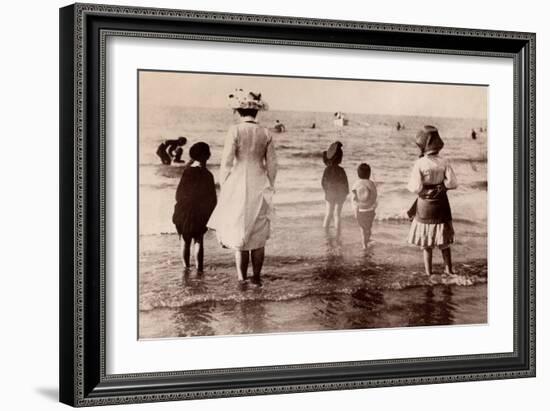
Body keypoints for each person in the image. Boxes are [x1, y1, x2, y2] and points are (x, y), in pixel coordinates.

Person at [207, 89, 277, 286]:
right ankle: (256, 277)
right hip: (259, 182)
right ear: (256, 112)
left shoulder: (235, 130)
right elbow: (272, 164)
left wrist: (224, 184)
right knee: (258, 231)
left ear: (238, 111)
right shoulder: (265, 132)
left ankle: (241, 278)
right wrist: (271, 184)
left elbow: (227, 161)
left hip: (237, 182)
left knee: (240, 228)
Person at [407, 125, 458, 276]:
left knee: (426, 244)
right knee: (444, 242)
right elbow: (453, 183)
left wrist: (426, 191)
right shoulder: (444, 161)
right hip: (441, 203)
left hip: (425, 205)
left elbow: (415, 187)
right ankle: (449, 270)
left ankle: (429, 274)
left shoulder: (420, 163)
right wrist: (442, 187)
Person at [172, 142, 217, 272]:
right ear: (208, 156)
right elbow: (212, 199)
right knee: (198, 240)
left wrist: (181, 207)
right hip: (201, 212)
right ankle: (199, 269)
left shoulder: (187, 172)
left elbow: (179, 194)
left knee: (185, 240)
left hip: (185, 211)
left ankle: (186, 268)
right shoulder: (208, 175)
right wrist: (209, 213)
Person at [321, 141, 349, 237]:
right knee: (337, 215)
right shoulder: (341, 170)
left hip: (330, 193)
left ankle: (326, 234)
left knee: (328, 214)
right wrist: (345, 194)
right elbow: (345, 184)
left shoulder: (327, 169)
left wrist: (326, 191)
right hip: (340, 194)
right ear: (340, 158)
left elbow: (323, 183)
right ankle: (338, 235)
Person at [350, 163, 377, 249]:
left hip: (360, 210)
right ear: (369, 174)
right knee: (368, 227)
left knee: (362, 228)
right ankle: (367, 239)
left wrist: (355, 211)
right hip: (370, 210)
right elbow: (374, 196)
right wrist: (373, 206)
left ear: (358, 174)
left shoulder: (356, 184)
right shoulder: (371, 184)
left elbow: (353, 199)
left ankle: (364, 244)